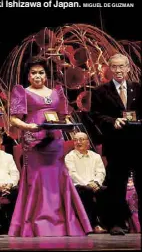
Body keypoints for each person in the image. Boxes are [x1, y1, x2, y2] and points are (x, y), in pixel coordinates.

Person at [8, 57, 92, 237]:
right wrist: (27, 126)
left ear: (46, 75)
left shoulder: (57, 92)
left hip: (55, 142)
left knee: (57, 179)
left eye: (41, 73)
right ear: (28, 76)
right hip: (34, 141)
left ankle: (64, 224)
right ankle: (36, 224)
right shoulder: (22, 92)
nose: (37, 76)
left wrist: (69, 124)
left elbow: (64, 116)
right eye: (33, 73)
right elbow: (13, 119)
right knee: (37, 180)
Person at [90, 53, 141, 235]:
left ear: (128, 68)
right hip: (116, 144)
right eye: (114, 67)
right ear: (109, 69)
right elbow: (95, 115)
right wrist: (113, 121)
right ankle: (116, 224)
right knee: (116, 185)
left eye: (122, 67)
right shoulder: (100, 91)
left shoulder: (138, 88)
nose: (118, 70)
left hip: (138, 143)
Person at [64, 132, 107, 234]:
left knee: (107, 191)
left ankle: (108, 223)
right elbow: (72, 174)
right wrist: (88, 184)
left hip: (94, 185)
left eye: (81, 139)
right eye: (75, 140)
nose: (78, 142)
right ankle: (92, 224)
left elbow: (101, 172)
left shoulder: (95, 156)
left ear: (88, 142)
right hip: (78, 185)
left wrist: (96, 183)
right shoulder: (70, 157)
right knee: (87, 191)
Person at [0, 128, 19, 234]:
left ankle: (12, 226)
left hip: (8, 187)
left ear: (1, 140)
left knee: (17, 192)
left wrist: (9, 185)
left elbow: (15, 174)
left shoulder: (8, 156)